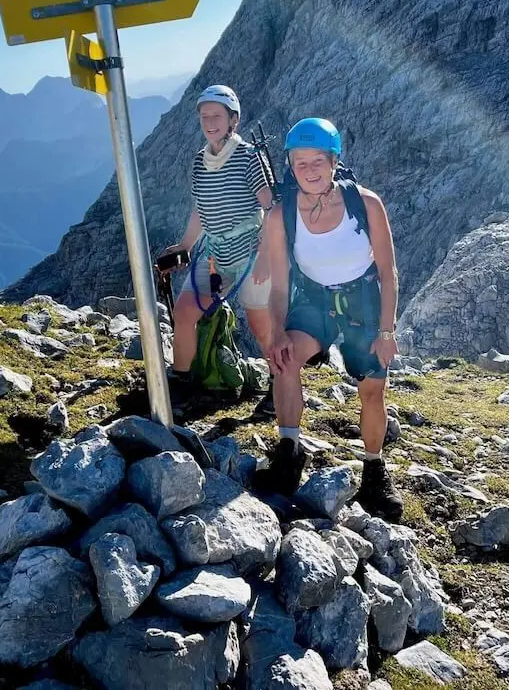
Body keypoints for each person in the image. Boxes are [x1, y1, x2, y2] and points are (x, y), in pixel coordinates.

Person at [258, 117, 404, 522]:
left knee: (372, 390)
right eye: (300, 162)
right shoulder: (280, 216)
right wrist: (278, 333)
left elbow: (388, 271)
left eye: (317, 160)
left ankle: (374, 469)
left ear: (334, 161)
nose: (309, 170)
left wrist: (387, 330)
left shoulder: (365, 203)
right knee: (284, 360)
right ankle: (289, 451)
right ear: (290, 165)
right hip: (315, 298)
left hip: (364, 302)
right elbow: (279, 285)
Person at [163, 85, 275, 404]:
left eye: (217, 116)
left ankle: (279, 387)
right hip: (215, 254)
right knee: (185, 314)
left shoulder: (249, 157)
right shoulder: (200, 162)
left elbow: (270, 208)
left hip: (251, 253)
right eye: (204, 116)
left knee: (261, 324)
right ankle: (182, 383)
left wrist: (266, 253)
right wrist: (184, 245)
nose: (210, 122)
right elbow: (201, 208)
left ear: (233, 120)